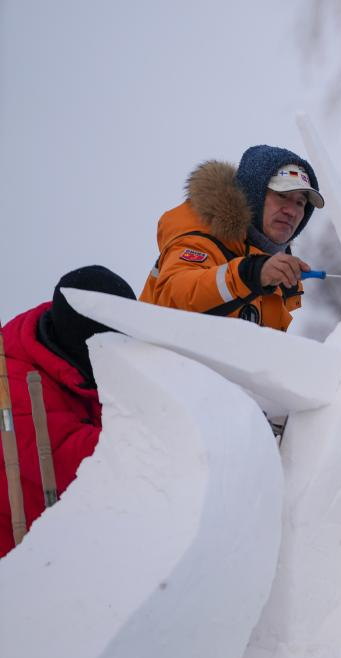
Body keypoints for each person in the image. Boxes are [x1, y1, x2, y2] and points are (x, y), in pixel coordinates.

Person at [0, 266, 136, 556]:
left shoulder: (68, 352)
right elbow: (90, 463)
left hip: (74, 544)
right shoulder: (15, 388)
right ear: (88, 346)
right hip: (21, 561)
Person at [140, 145, 324, 330]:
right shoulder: (202, 236)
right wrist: (251, 275)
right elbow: (171, 299)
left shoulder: (274, 272)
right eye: (282, 195)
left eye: (300, 203)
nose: (292, 211)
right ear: (254, 194)